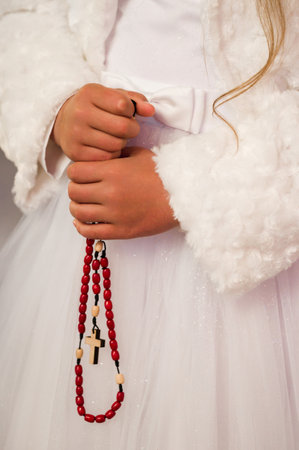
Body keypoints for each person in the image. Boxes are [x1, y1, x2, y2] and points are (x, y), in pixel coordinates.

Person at [0, 0, 299, 449]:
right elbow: (27, 12)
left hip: (251, 257)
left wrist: (187, 186)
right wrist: (59, 106)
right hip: (86, 227)